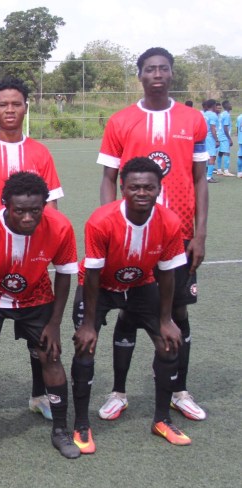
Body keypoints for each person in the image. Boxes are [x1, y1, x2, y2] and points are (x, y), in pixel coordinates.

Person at [97, 47, 208, 423]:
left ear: (172, 73)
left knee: (178, 312)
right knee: (129, 310)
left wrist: (200, 234)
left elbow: (200, 179)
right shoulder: (121, 121)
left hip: (179, 236)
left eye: (163, 68)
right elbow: (109, 178)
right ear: (140, 75)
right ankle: (118, 392)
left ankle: (179, 390)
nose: (157, 74)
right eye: (149, 69)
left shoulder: (193, 119)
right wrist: (111, 227)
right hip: (132, 238)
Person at [0, 76, 65, 424]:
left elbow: (53, 208)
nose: (9, 110)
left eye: (16, 104)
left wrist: (45, 245)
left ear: (25, 107)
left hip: (31, 262)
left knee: (40, 338)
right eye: (3, 104)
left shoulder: (41, 153)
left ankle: (39, 395)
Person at [0, 172, 80, 461]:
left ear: (44, 206)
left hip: (36, 295)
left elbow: (65, 274)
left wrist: (55, 323)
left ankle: (61, 430)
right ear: (6, 205)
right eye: (20, 211)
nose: (28, 218)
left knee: (51, 356)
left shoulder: (60, 227)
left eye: (35, 211)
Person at [72, 157, 188, 448]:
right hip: (99, 287)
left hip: (140, 284)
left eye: (149, 187)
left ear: (159, 189)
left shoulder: (170, 222)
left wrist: (166, 320)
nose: (142, 193)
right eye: (134, 187)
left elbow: (167, 273)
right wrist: (89, 324)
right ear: (122, 188)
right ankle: (81, 425)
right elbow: (93, 274)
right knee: (85, 346)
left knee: (168, 343)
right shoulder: (101, 221)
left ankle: (162, 420)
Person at [201, 99, 219, 183]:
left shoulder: (204, 114)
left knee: (204, 156)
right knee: (212, 156)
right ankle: (209, 177)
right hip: (210, 137)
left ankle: (202, 176)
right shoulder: (213, 115)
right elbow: (212, 128)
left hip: (203, 136)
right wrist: (216, 140)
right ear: (214, 105)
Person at [218, 100, 233, 176]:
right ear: (226, 106)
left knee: (220, 153)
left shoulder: (222, 114)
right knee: (227, 153)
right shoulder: (226, 115)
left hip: (220, 135)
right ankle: (226, 171)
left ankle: (219, 169)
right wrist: (229, 138)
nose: (231, 105)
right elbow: (225, 127)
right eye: (230, 104)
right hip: (224, 137)